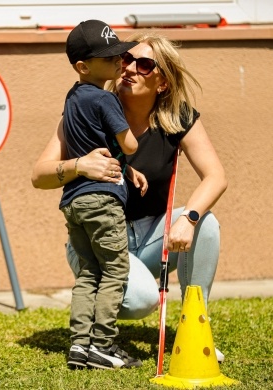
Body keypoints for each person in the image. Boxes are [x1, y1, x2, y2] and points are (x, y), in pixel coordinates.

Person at [31, 32, 228, 363]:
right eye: (125, 59)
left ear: (162, 83)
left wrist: (187, 218)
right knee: (141, 300)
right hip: (99, 237)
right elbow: (39, 176)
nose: (130, 68)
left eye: (145, 64)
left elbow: (216, 176)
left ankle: (194, 327)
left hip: (150, 233)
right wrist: (79, 165)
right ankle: (96, 333)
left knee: (205, 224)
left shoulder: (178, 118)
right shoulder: (87, 108)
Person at [53, 19, 144, 370]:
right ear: (83, 65)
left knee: (88, 273)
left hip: (73, 200)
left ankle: (79, 345)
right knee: (115, 269)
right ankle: (103, 343)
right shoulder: (105, 99)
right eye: (110, 59)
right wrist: (130, 136)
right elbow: (129, 144)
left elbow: (94, 145)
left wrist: (124, 166)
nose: (120, 61)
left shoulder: (73, 97)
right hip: (102, 199)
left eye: (120, 54)